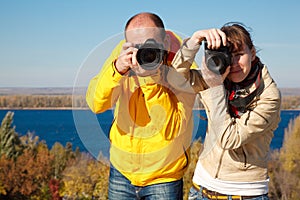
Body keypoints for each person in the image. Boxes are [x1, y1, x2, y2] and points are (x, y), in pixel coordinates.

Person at [86, 12, 197, 199]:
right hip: (122, 172)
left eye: (150, 45)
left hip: (164, 177)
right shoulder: (124, 53)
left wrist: (150, 79)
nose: (143, 52)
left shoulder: (182, 63)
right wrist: (117, 70)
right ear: (127, 43)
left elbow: (171, 129)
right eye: (135, 46)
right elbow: (97, 104)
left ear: (165, 42)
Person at [170, 23, 281, 199]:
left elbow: (229, 139)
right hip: (202, 189)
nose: (234, 63)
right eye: (228, 56)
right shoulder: (219, 77)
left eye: (239, 55)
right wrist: (195, 40)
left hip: (245, 194)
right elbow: (173, 80)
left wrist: (215, 88)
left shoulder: (268, 95)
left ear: (252, 53)